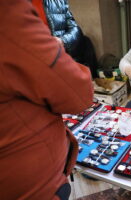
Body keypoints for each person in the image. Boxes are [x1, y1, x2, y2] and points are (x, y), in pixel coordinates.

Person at [0, 0, 94, 199]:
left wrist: (62, 44)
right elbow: (80, 94)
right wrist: (55, 55)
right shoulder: (9, 11)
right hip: (32, 182)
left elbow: (74, 29)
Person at [31, 0, 98, 78]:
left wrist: (63, 41)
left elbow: (74, 28)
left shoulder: (59, 1)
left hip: (61, 64)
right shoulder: (18, 6)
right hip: (36, 67)